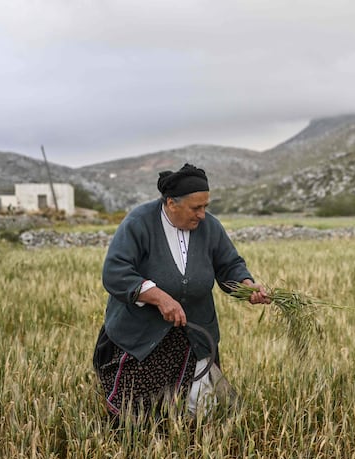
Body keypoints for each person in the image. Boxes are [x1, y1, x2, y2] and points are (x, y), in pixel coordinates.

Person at [92, 163, 269, 422]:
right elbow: (116, 272)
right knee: (135, 414)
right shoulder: (139, 222)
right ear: (171, 203)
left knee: (199, 410)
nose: (202, 215)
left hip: (193, 333)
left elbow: (229, 265)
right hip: (143, 334)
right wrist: (160, 297)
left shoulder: (210, 228)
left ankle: (190, 453)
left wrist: (247, 286)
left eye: (205, 206)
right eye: (196, 208)